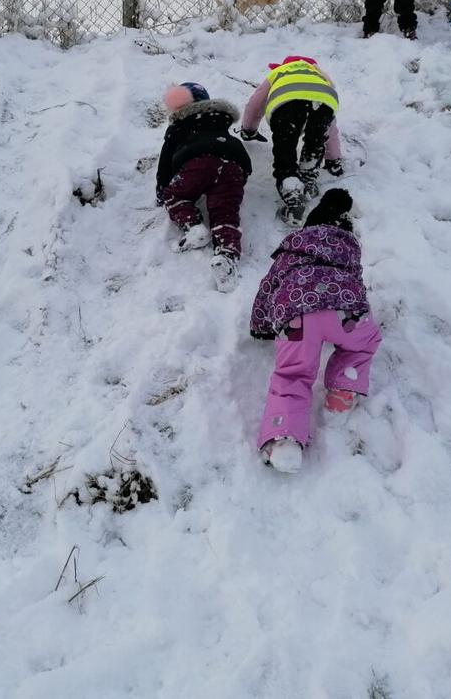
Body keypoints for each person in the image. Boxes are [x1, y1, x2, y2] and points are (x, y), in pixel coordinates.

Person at [249, 188, 383, 473]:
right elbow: (356, 289)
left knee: (292, 373)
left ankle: (285, 438)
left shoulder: (291, 252)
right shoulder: (348, 254)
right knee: (365, 342)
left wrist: (261, 326)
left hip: (298, 317)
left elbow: (267, 289)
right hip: (345, 312)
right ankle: (343, 390)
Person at [156, 82, 252, 292]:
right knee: (225, 211)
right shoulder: (220, 120)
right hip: (234, 163)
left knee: (175, 196)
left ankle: (194, 227)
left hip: (197, 163)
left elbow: (165, 161)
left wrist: (162, 189)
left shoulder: (179, 125)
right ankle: (226, 255)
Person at [240, 55, 345, 222]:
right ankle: (308, 177)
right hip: (325, 101)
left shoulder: (279, 72)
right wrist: (334, 159)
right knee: (315, 142)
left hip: (286, 105)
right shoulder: (317, 72)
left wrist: (248, 130)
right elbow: (330, 128)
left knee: (285, 152)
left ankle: (293, 198)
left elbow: (255, 104)